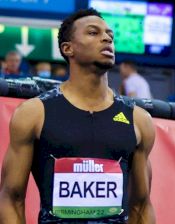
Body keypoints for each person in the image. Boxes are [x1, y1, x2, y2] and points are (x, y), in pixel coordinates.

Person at [0, 8, 155, 224]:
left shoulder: (139, 120)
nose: (106, 39)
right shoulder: (33, 114)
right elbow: (11, 198)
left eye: (110, 36)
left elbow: (141, 205)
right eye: (93, 33)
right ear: (68, 48)